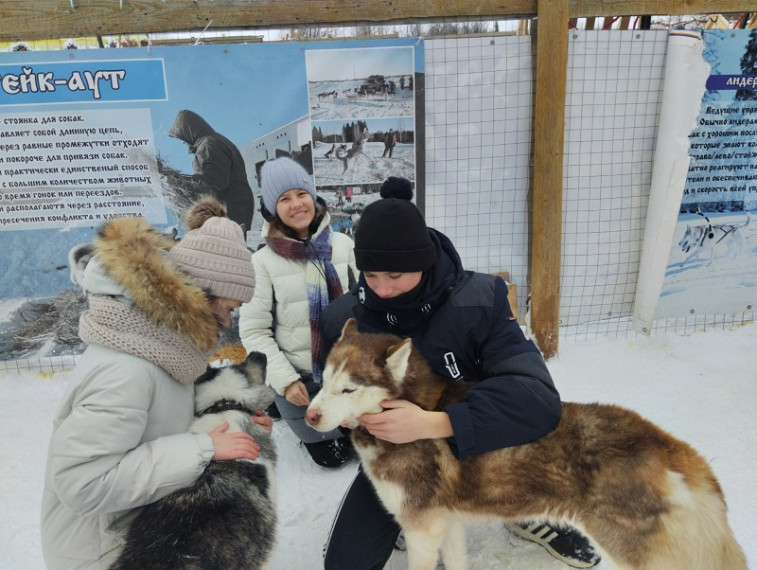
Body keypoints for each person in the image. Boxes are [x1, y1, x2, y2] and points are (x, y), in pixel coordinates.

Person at [319, 177, 601, 569]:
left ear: (422, 261)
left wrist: (436, 423)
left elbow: (537, 399)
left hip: (475, 440)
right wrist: (349, 418)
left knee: (533, 431)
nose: (382, 289)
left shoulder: (480, 300)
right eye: (372, 275)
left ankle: (526, 510)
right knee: (344, 564)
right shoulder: (345, 318)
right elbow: (328, 396)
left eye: (396, 276)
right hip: (395, 453)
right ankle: (412, 507)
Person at [41, 197, 269, 569]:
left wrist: (238, 418)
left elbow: (159, 420)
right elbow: (82, 483)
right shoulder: (126, 370)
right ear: (193, 296)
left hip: (140, 534)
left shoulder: (161, 347)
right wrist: (203, 448)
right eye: (227, 307)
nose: (228, 322)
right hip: (104, 553)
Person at [238, 157, 357, 468]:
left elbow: (366, 304)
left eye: (301, 194)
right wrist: (286, 381)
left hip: (346, 370)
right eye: (284, 199)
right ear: (271, 209)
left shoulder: (343, 245)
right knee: (334, 458)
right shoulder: (262, 262)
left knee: (362, 442)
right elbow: (254, 331)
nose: (296, 205)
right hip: (302, 378)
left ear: (313, 196)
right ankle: (279, 401)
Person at [168, 109, 255, 238]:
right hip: (235, 209)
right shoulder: (215, 141)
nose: (182, 142)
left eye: (182, 136)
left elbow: (212, 183)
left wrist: (178, 182)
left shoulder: (210, 145)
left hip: (230, 211)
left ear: (189, 131)